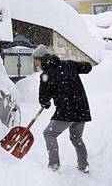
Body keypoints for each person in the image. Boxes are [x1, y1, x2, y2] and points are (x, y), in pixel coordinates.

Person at [32, 44, 92, 173]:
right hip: (82, 109)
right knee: (76, 138)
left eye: (36, 61)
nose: (36, 65)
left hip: (66, 111)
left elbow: (44, 100)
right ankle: (83, 166)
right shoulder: (68, 64)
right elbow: (87, 67)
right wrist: (81, 66)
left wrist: (45, 103)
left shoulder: (45, 76)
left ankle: (53, 166)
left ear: (41, 59)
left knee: (49, 133)